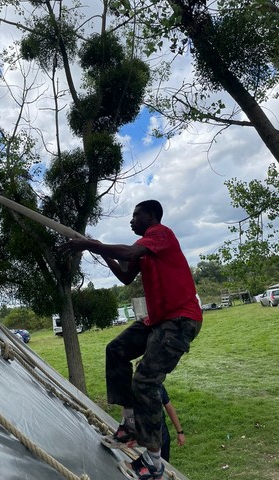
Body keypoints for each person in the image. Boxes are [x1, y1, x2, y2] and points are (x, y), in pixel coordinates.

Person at [59, 200, 202, 480]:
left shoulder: (160, 234)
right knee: (116, 350)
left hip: (180, 319)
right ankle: (130, 424)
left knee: (146, 382)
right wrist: (100, 251)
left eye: (136, 215)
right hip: (158, 321)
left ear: (152, 216)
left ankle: (154, 463)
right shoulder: (145, 249)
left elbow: (130, 250)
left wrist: (91, 245)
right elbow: (125, 276)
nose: (131, 220)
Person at [159, 384, 185, 463]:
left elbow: (169, 408)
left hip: (162, 435)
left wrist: (180, 432)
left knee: (163, 464)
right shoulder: (137, 386)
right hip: (146, 436)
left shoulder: (159, 386)